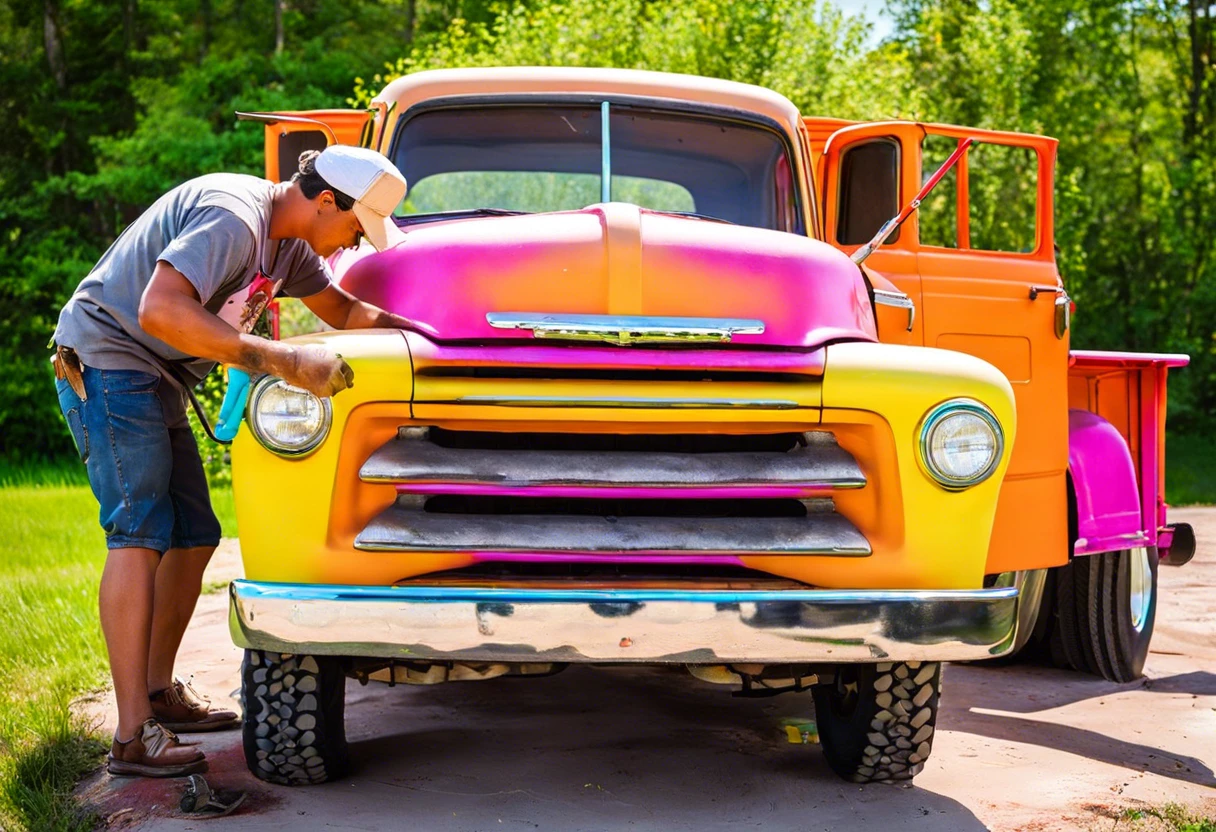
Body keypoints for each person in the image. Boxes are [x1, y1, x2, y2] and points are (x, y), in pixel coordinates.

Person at [51, 145, 414, 777]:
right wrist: (281, 361)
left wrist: (432, 335)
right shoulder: (234, 218)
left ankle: (160, 695)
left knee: (195, 536)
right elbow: (158, 309)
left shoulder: (290, 246)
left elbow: (343, 311)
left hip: (157, 374)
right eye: (356, 228)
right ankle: (133, 734)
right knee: (139, 533)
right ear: (326, 200)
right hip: (108, 360)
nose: (352, 243)